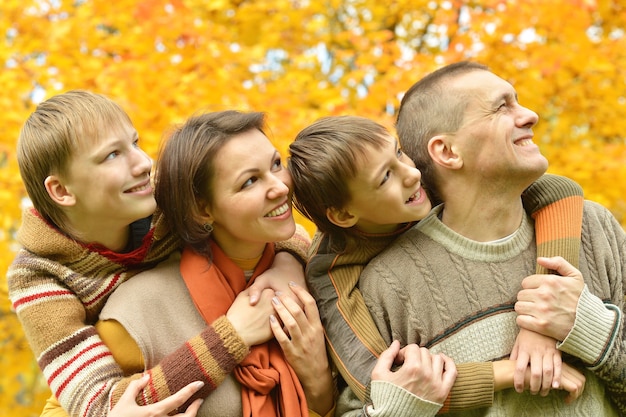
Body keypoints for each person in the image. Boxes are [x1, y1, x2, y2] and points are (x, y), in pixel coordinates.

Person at [344, 61, 625, 415]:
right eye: (501, 107)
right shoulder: (388, 284)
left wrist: (595, 333)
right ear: (447, 152)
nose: (530, 116)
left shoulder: (592, 227)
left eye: (518, 101)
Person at [7, 90, 310, 417]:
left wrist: (287, 264)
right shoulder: (38, 277)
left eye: (134, 143)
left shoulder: (160, 210)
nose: (143, 163)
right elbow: (102, 406)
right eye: (112, 155)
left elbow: (259, 223)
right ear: (62, 191)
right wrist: (232, 335)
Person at [288, 115, 587, 415]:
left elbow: (557, 189)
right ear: (343, 215)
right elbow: (382, 383)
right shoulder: (329, 275)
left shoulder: (424, 177)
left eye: (398, 152)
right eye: (385, 178)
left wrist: (540, 324)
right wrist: (514, 371)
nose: (411, 174)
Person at [84, 110, 336, 416]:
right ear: (203, 210)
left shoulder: (319, 274)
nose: (281, 187)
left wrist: (319, 380)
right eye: (250, 181)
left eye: (276, 165)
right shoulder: (139, 309)